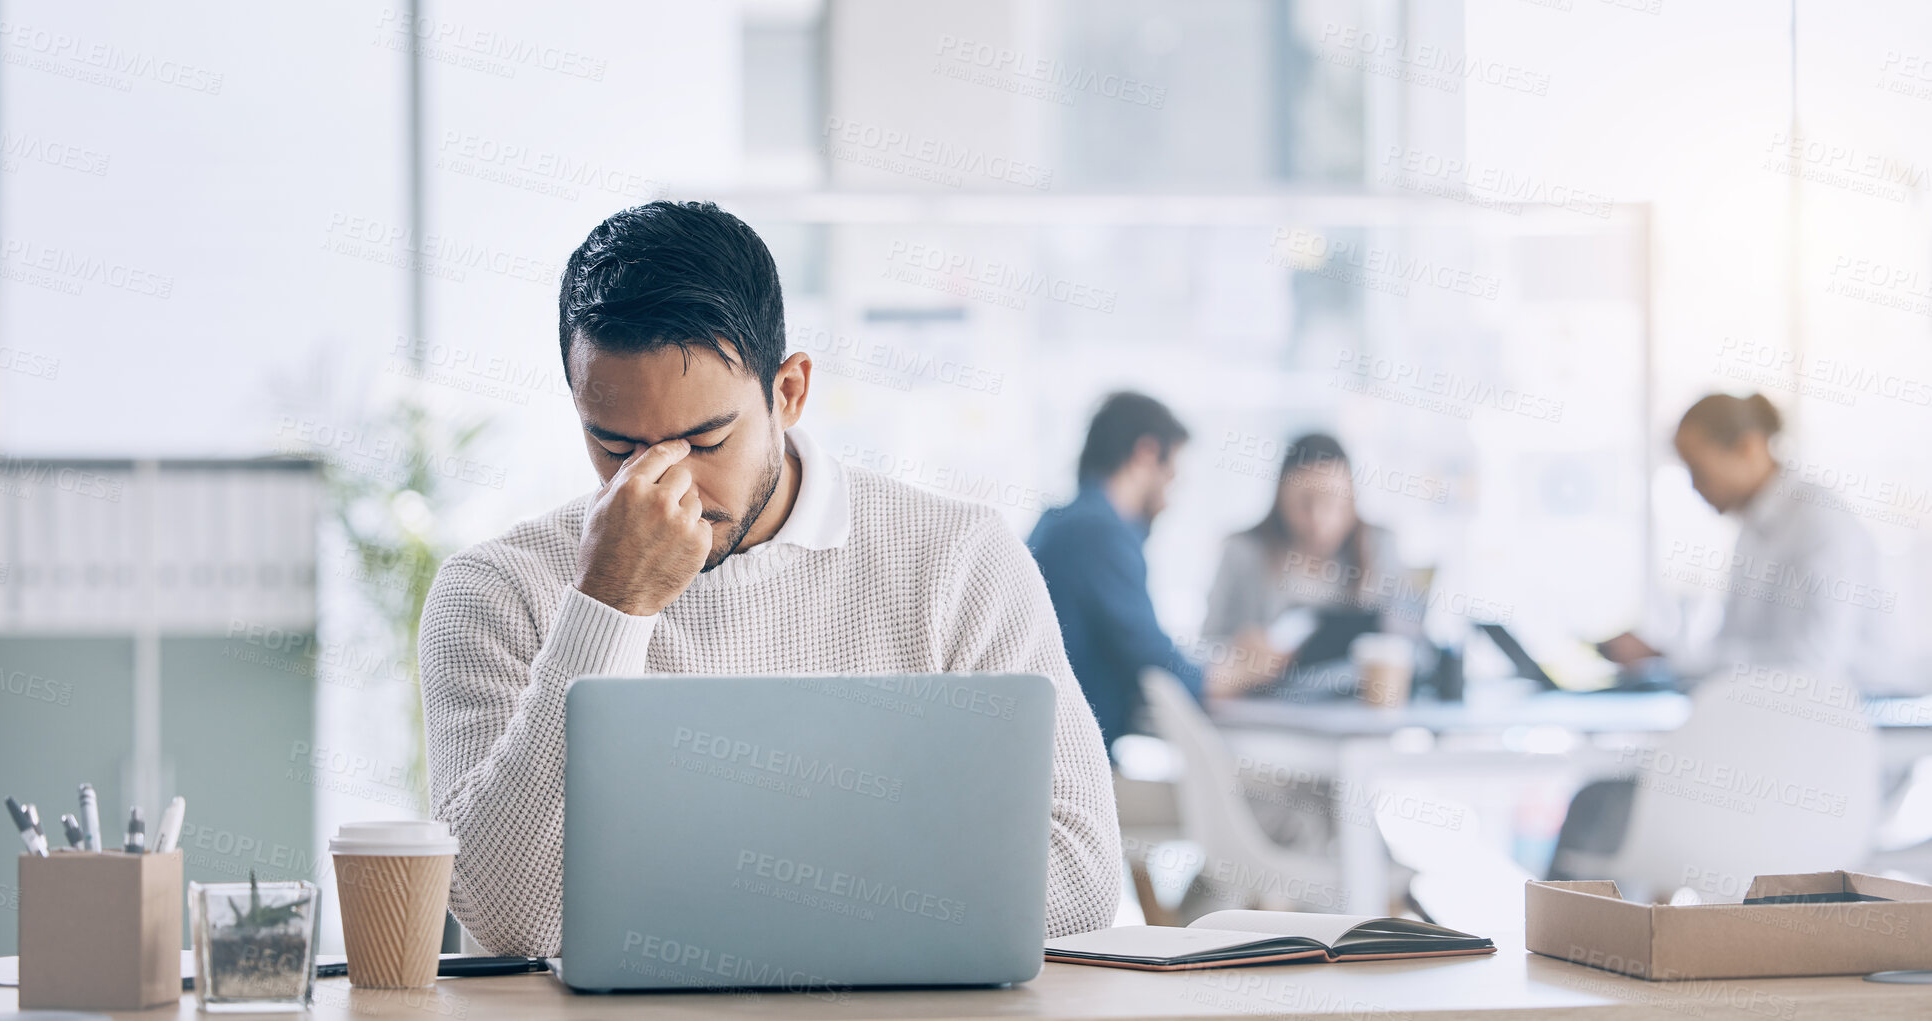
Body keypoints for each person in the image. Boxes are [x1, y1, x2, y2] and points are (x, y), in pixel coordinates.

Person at [418, 201, 1122, 956]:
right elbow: (511, 917)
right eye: (615, 444)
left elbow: (1079, 874)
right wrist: (608, 606)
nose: (665, 483)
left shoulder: (956, 559)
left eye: (705, 439)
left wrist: (698, 901)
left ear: (788, 392)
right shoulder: (495, 590)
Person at [1599, 392, 1892, 692]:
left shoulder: (1820, 523)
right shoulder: (1753, 529)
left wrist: (1673, 658)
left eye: (1697, 469)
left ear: (1747, 448)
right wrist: (1666, 657)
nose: (1693, 485)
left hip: (1854, 722)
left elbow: (1810, 666)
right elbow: (1733, 647)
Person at [1027, 393, 1224, 747]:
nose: (1169, 497)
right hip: (1071, 767)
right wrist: (1233, 675)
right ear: (1146, 454)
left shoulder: (1058, 521)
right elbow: (1155, 663)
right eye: (1172, 476)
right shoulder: (1099, 533)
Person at [1201, 433, 1421, 696]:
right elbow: (1207, 646)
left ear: (1351, 498)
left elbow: (1413, 646)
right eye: (1304, 503)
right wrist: (1237, 653)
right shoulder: (1244, 550)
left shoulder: (1380, 546)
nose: (1318, 519)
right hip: (1264, 712)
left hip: (1357, 708)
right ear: (1281, 497)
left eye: (1332, 502)